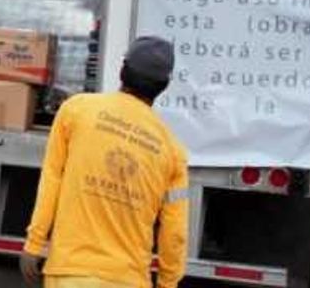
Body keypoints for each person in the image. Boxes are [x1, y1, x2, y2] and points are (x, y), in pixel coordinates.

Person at [20, 36, 188, 288]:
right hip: (128, 280)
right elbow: (174, 233)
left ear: (122, 71)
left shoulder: (75, 111)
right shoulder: (172, 151)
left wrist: (34, 242)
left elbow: (51, 179)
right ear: (163, 85)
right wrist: (168, 283)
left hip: (69, 273)